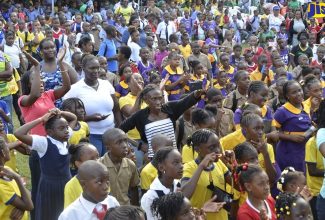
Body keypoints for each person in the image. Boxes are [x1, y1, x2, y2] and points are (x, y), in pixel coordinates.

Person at [14, 109, 77, 220]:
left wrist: (60, 112)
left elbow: (73, 118)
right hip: (49, 187)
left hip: (67, 184)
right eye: (61, 128)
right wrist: (41, 119)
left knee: (66, 213)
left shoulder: (65, 138)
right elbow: (18, 133)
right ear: (50, 132)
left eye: (67, 127)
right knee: (50, 214)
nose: (67, 130)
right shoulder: (43, 143)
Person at [120, 84, 203, 158]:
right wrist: (139, 145)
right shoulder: (139, 116)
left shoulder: (170, 108)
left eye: (160, 98)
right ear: (146, 100)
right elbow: (119, 131)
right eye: (154, 99)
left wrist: (196, 93)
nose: (158, 102)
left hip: (172, 156)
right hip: (152, 158)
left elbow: (185, 102)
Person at [63, 54, 121, 156]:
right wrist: (89, 118)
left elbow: (116, 108)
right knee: (94, 165)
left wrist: (120, 128)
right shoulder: (74, 89)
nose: (96, 71)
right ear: (83, 68)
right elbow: (66, 115)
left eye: (98, 68)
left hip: (110, 134)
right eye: (92, 68)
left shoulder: (106, 84)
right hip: (90, 135)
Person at [181, 129, 234, 220]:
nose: (217, 150)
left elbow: (238, 186)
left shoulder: (219, 164)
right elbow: (184, 196)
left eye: (218, 145)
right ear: (198, 149)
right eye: (211, 148)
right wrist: (201, 166)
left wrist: (233, 163)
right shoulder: (189, 168)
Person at [274, 80, 312, 172]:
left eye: (299, 90)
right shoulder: (282, 111)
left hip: (304, 150)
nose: (299, 94)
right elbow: (273, 133)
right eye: (294, 92)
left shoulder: (306, 107)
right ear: (287, 96)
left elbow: (309, 126)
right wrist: (291, 137)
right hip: (289, 151)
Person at [99, 128, 140, 205]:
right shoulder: (98, 165)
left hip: (125, 208)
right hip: (106, 210)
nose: (125, 145)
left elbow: (134, 188)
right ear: (108, 148)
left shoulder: (130, 164)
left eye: (125, 141)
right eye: (119, 142)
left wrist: (135, 209)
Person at [141, 147, 183, 220]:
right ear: (161, 168)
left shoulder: (178, 185)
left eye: (181, 162)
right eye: (176, 163)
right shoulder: (150, 197)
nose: (181, 166)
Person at [0, 137, 34, 220]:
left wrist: (22, 207)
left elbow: (28, 195)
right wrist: (18, 178)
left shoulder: (8, 170)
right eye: (7, 147)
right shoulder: (1, 184)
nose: (9, 149)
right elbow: (30, 206)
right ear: (3, 153)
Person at [38, 39, 78, 107]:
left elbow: (76, 86)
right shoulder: (37, 67)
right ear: (41, 51)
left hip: (65, 106)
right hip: (44, 106)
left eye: (52, 47)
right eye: (46, 48)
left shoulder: (65, 65)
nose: (50, 50)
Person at [64, 142, 99, 208]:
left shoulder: (102, 179)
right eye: (91, 159)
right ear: (78, 164)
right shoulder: (71, 186)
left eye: (98, 157)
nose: (97, 162)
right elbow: (69, 212)